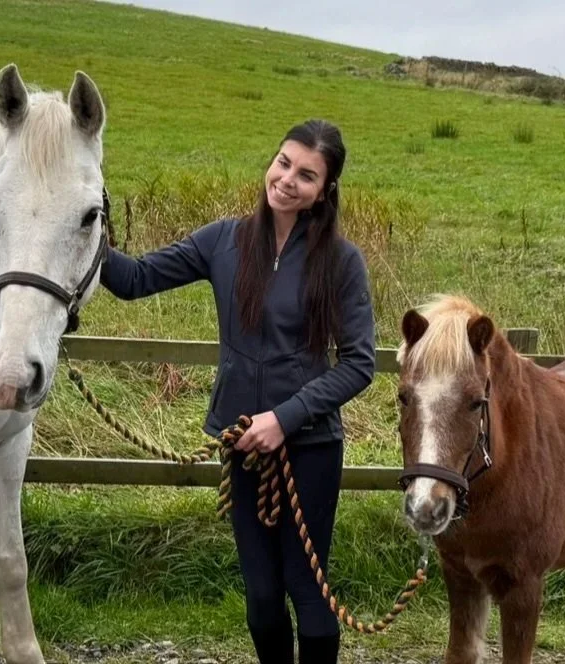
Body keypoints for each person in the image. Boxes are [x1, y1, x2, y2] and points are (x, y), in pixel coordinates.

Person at [100, 119, 375, 664]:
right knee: (261, 598)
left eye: (306, 174)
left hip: (309, 448)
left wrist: (284, 419)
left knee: (308, 592)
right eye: (283, 163)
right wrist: (82, 226)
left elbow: (359, 365)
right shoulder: (223, 241)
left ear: (326, 190)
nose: (287, 179)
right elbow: (132, 281)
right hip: (242, 443)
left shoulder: (342, 263)